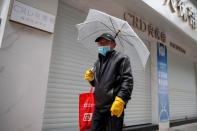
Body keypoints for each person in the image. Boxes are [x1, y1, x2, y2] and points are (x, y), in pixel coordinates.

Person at [84, 33, 133, 131]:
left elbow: (127, 80)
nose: (102, 45)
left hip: (113, 106)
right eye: (100, 43)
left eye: (106, 42)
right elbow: (97, 84)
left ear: (114, 45)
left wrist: (121, 99)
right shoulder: (98, 62)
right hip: (98, 106)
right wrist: (91, 79)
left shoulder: (122, 59)